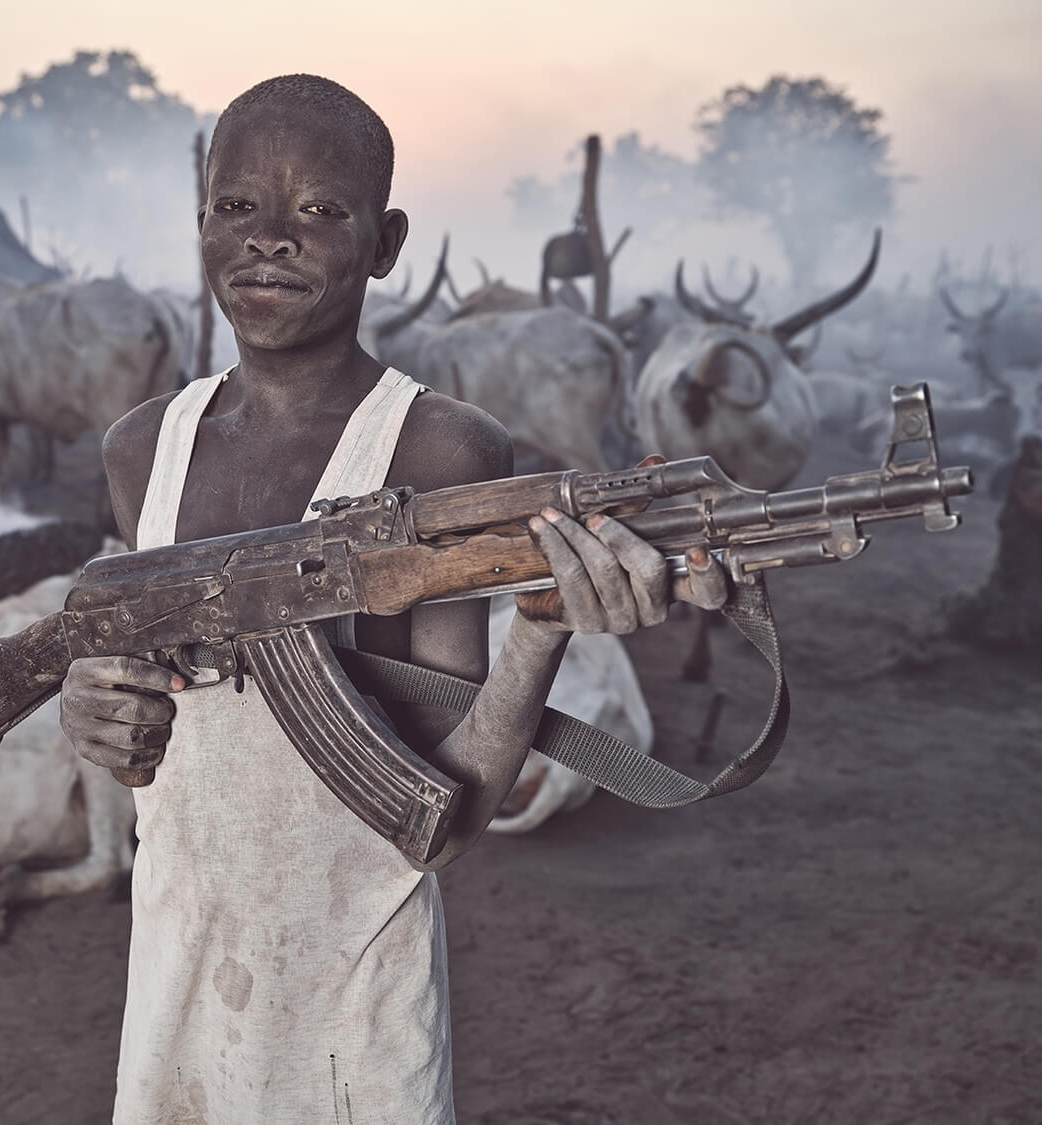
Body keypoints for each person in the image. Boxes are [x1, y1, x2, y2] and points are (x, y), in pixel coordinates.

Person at [59, 74, 727, 1125]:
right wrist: (90, 706)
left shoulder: (440, 449)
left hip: (357, 994)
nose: (271, 239)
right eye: (239, 207)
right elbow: (127, 689)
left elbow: (447, 817)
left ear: (385, 241)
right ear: (201, 224)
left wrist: (543, 629)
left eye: (321, 211)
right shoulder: (143, 448)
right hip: (178, 961)